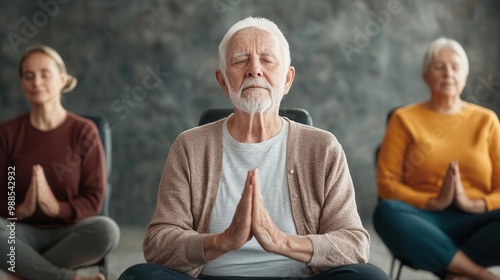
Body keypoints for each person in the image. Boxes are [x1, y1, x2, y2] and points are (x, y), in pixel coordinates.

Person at [119, 16, 389, 280]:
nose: (254, 69)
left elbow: (354, 245)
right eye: (240, 60)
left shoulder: (323, 148)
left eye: (267, 60)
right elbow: (158, 243)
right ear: (223, 81)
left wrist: (281, 242)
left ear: (287, 80)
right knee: (138, 276)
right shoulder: (189, 146)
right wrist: (222, 242)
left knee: (369, 276)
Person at [373, 37, 500, 280]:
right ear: (425, 75)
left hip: (478, 224)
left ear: (465, 75)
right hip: (424, 221)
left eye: (455, 67)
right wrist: (434, 202)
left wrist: (474, 204)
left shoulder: (487, 121)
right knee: (385, 212)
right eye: (439, 66)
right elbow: (386, 184)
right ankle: (478, 274)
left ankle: (452, 268)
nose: (448, 73)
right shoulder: (403, 119)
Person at [0, 45, 120, 280]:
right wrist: (20, 209)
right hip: (17, 234)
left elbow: (93, 198)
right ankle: (64, 278)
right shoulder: (7, 133)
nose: (36, 82)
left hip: (69, 234)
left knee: (107, 231)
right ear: (22, 83)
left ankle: (22, 271)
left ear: (62, 79)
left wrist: (55, 208)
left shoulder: (84, 132)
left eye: (45, 74)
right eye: (29, 76)